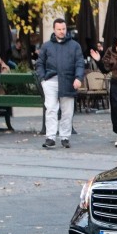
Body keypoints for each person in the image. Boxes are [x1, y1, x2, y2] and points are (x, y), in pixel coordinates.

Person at [35, 17, 85, 149]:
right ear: (54, 29)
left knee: (67, 110)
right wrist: (43, 79)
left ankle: (65, 137)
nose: (62, 31)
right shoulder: (46, 46)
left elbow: (80, 63)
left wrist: (78, 78)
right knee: (51, 108)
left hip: (68, 79)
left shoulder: (75, 46)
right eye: (59, 29)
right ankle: (50, 137)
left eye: (63, 29)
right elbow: (39, 63)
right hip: (51, 79)